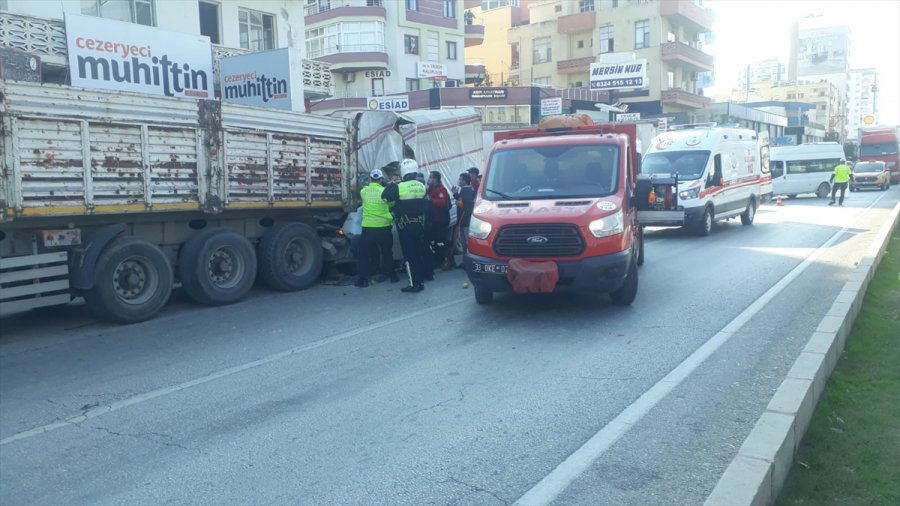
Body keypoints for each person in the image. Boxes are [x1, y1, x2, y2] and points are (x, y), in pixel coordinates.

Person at [382, 159, 429, 293]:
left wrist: (393, 184)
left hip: (406, 227)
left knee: (409, 256)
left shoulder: (399, 187)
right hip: (420, 225)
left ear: (403, 172)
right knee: (419, 254)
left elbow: (385, 197)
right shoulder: (421, 186)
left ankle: (413, 284)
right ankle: (420, 282)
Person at [356, 168, 398, 287]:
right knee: (387, 253)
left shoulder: (364, 191)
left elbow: (362, 193)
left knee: (364, 254)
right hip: (384, 227)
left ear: (371, 178)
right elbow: (392, 204)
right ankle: (393, 276)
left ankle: (363, 279)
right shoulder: (385, 191)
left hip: (368, 228)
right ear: (381, 179)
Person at [426, 171, 452, 276]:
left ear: (436, 179)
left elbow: (441, 202)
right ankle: (438, 260)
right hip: (434, 220)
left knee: (442, 242)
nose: (430, 179)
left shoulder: (442, 190)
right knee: (435, 242)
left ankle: (448, 261)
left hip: (441, 220)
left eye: (431, 178)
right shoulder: (431, 189)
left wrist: (431, 199)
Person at [452, 172, 476, 262]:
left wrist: (458, 202)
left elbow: (465, 206)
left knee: (466, 242)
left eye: (461, 179)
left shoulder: (467, 190)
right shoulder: (465, 190)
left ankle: (469, 261)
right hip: (463, 220)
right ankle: (465, 261)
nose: (459, 181)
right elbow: (462, 201)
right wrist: (456, 195)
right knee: (463, 242)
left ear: (465, 181)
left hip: (465, 220)